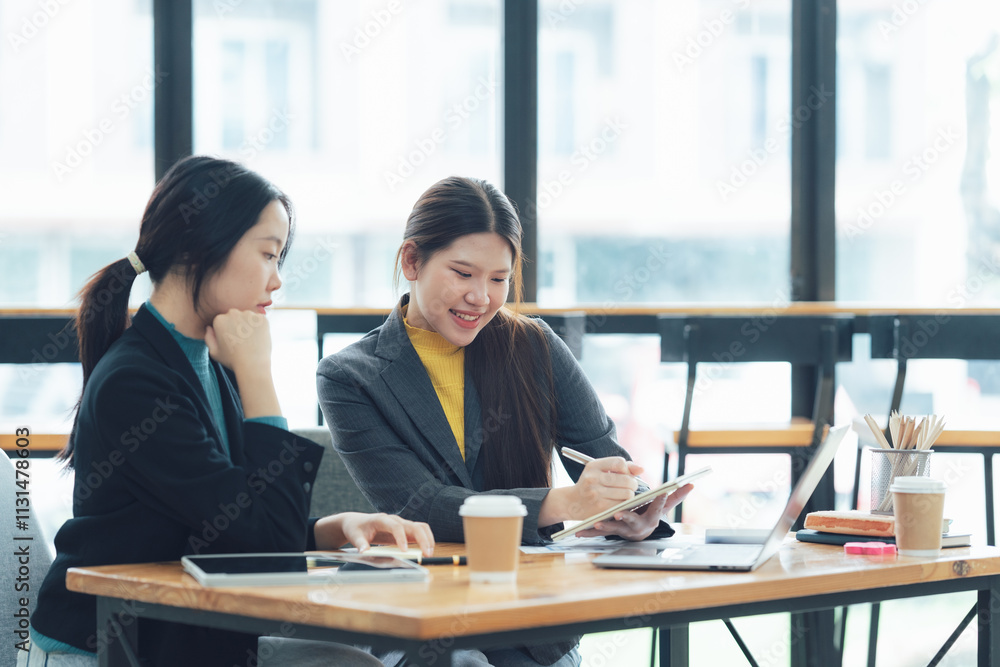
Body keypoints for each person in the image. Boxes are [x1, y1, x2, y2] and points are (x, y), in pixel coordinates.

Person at [27, 156, 433, 667]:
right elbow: (264, 540)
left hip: (183, 637)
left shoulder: (203, 360)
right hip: (113, 647)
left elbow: (234, 521)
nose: (277, 281)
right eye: (268, 255)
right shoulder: (136, 382)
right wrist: (258, 374)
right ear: (199, 249)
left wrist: (332, 527)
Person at [317, 176, 692, 667]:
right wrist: (566, 502)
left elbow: (604, 461)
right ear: (411, 261)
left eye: (498, 279)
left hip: (528, 614)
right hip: (423, 613)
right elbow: (421, 505)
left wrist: (631, 511)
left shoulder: (534, 346)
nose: (481, 297)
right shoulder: (349, 376)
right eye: (463, 273)